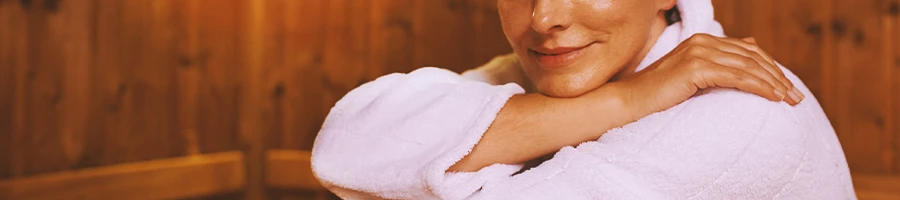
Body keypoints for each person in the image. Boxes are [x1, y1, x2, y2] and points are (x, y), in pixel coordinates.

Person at [310, 0, 855, 199]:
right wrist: (626, 101)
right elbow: (345, 142)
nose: (546, 18)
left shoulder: (744, 109)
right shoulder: (557, 78)